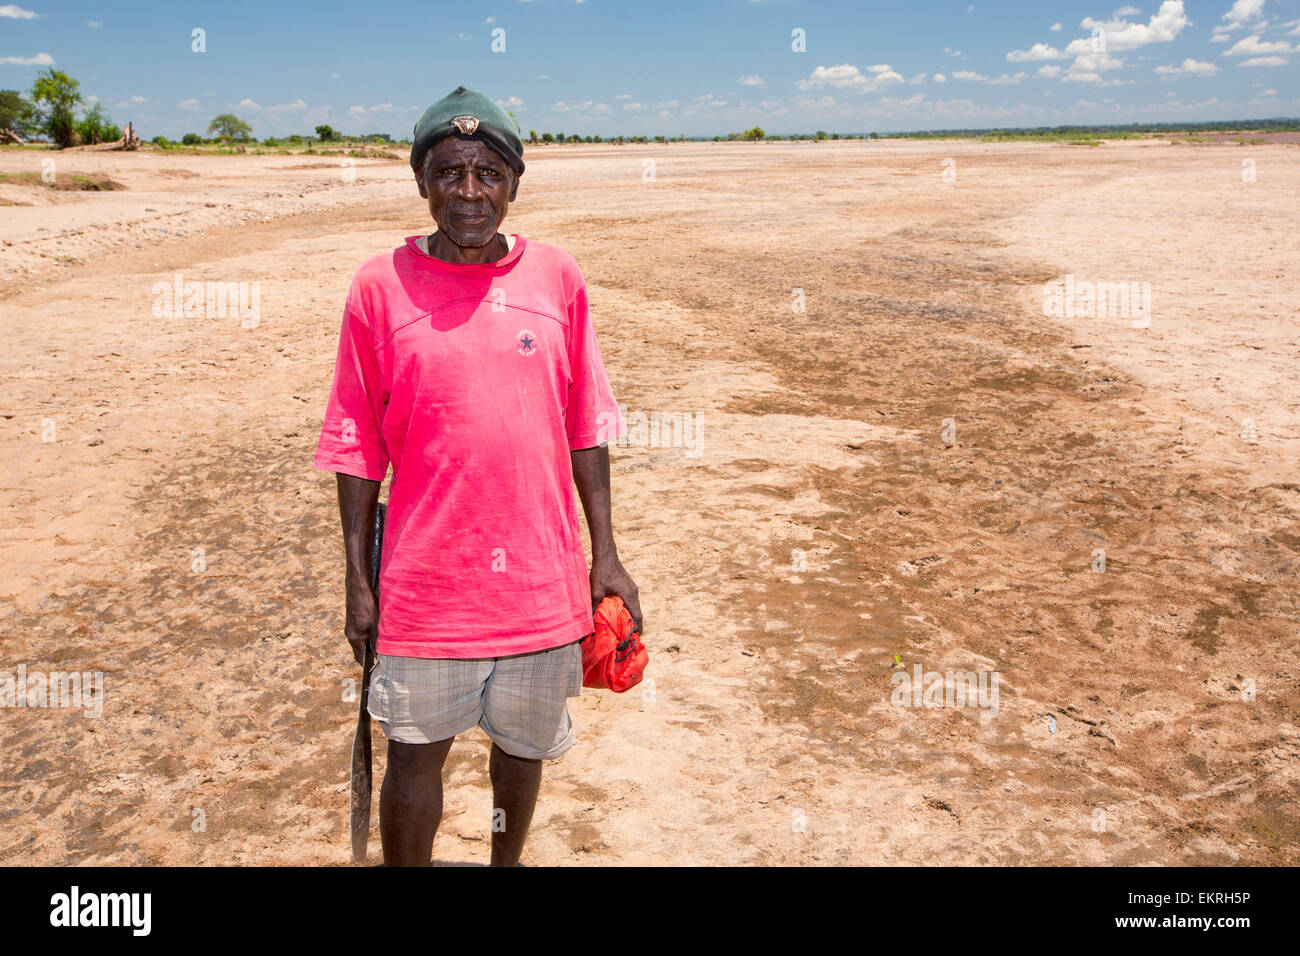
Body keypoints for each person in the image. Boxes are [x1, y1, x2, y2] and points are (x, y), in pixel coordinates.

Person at [314, 85, 642, 867]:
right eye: (450, 173)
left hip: (538, 581)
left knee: (521, 753)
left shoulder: (557, 279)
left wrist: (607, 556)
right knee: (414, 757)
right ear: (421, 181)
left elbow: (586, 426)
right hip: (424, 585)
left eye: (489, 173)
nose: (470, 194)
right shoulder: (377, 287)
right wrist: (358, 578)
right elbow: (356, 442)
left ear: (515, 183)